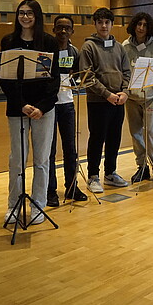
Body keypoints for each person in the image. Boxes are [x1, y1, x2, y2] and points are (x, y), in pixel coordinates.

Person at [0, 0, 60, 226]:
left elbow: (54, 79)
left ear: (37, 16)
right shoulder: (9, 41)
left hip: (44, 110)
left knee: (42, 160)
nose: (25, 17)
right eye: (21, 13)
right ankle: (13, 205)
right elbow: (5, 78)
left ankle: (38, 205)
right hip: (18, 108)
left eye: (29, 13)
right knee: (17, 160)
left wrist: (42, 107)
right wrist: (21, 104)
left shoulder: (49, 42)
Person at [80, 8, 132, 193]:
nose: (104, 26)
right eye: (100, 22)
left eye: (107, 22)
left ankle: (110, 173)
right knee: (97, 138)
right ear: (94, 24)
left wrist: (124, 92)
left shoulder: (119, 47)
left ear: (111, 24)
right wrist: (107, 94)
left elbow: (127, 72)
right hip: (99, 101)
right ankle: (93, 176)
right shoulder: (88, 47)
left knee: (114, 138)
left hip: (118, 100)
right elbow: (88, 77)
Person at [123, 12, 153, 183]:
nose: (141, 28)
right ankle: (141, 166)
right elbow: (123, 71)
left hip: (150, 96)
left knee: (150, 131)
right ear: (133, 26)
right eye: (138, 24)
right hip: (132, 98)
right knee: (135, 132)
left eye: (144, 25)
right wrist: (126, 90)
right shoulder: (126, 46)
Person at [46, 15, 87, 207]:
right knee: (50, 150)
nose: (63, 31)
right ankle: (50, 190)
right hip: (49, 106)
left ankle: (72, 186)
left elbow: (76, 75)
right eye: (59, 27)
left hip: (68, 105)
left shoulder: (74, 52)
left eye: (67, 28)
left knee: (70, 149)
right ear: (53, 29)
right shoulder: (46, 50)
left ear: (72, 31)